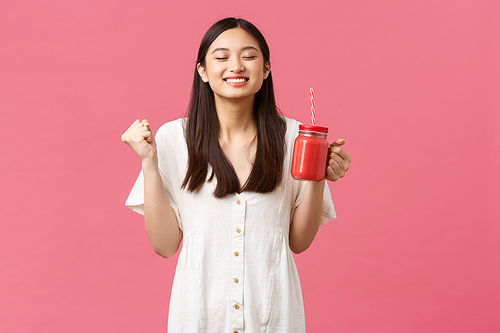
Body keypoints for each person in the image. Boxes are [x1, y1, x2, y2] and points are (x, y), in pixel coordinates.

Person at [122, 17, 351, 333]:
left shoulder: (297, 138)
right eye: (221, 57)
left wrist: (318, 175)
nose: (236, 66)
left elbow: (298, 242)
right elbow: (164, 246)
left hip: (274, 318)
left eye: (249, 56)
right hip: (199, 318)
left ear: (266, 68)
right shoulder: (173, 139)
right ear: (203, 70)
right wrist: (149, 163)